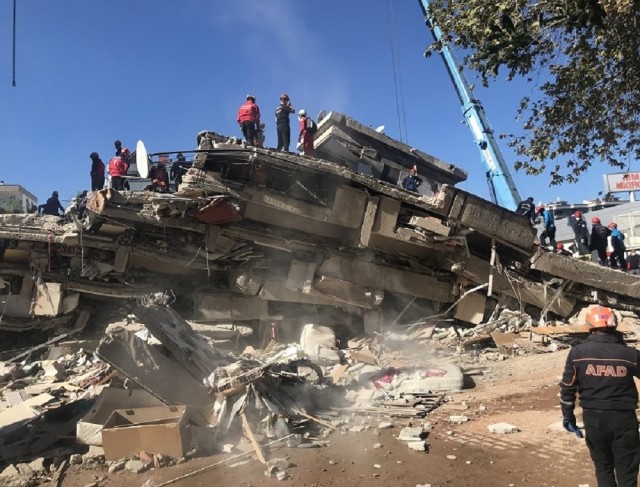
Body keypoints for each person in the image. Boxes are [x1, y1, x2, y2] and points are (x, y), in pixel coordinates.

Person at [559, 305, 640, 487]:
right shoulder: (630, 354)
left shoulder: (578, 353)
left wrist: (568, 416)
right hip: (624, 420)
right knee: (627, 471)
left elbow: (568, 388)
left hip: (594, 421)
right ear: (614, 325)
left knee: (603, 467)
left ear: (589, 327)